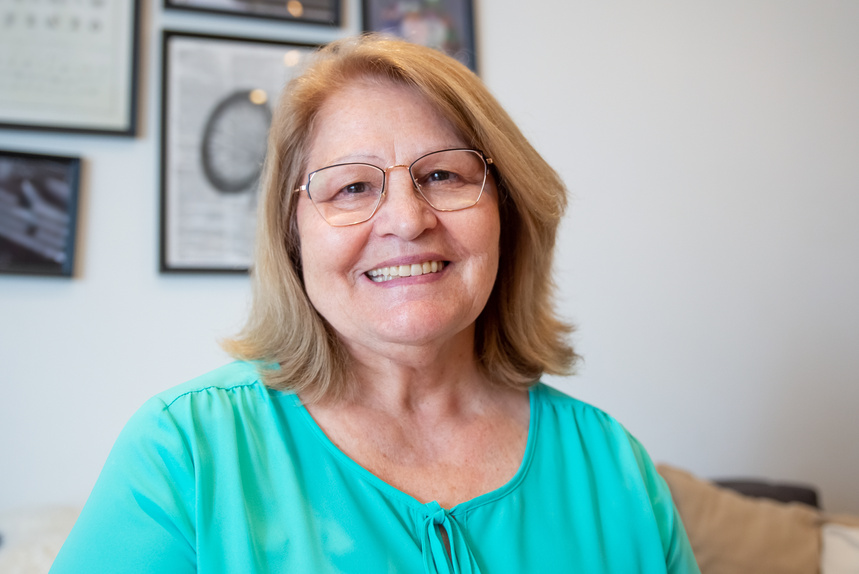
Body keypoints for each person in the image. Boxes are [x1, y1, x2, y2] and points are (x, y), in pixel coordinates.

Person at [50, 35, 700, 573]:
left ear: (506, 210)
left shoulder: (613, 467)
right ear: (292, 234)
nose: (407, 220)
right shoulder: (186, 453)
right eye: (353, 187)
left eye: (442, 174)